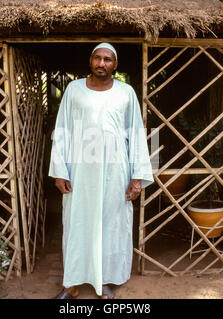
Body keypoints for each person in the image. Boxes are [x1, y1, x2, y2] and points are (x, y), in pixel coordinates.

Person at [49, 43, 153, 299]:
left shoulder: (126, 92)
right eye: (97, 58)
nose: (102, 64)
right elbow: (62, 130)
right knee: (77, 224)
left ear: (115, 65)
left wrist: (137, 178)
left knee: (111, 224)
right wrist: (60, 171)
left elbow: (137, 133)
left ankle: (104, 281)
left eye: (108, 60)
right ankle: (71, 283)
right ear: (90, 61)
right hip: (80, 171)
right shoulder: (73, 90)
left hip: (115, 173)